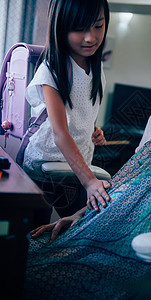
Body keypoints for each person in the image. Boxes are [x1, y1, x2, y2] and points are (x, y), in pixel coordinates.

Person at [23, 6, 151, 299]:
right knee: (22, 251)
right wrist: (82, 216)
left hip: (137, 261)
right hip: (101, 228)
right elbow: (129, 180)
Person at [22, 0, 111, 227]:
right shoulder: (51, 69)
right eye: (80, 28)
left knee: (74, 230)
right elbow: (60, 133)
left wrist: (92, 129)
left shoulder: (96, 68)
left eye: (98, 26)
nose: (90, 37)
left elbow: (80, 113)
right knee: (34, 232)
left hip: (76, 166)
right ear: (61, 27)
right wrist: (90, 182)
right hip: (45, 166)